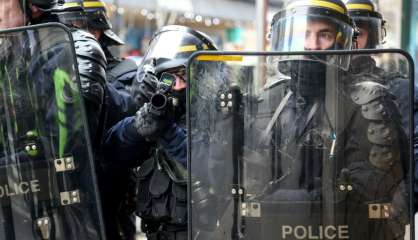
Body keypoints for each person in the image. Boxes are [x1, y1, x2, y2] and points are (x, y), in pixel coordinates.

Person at [104, 25, 217, 240]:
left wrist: (167, 131)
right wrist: (137, 128)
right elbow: (111, 151)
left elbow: (211, 166)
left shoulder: (217, 118)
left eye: (183, 75)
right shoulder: (158, 112)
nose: (175, 85)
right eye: (168, 78)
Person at [346, 0, 417, 211]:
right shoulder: (320, 90)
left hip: (376, 214)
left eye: (357, 34)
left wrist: (401, 203)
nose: (350, 42)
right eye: (342, 34)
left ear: (373, 37)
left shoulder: (397, 90)